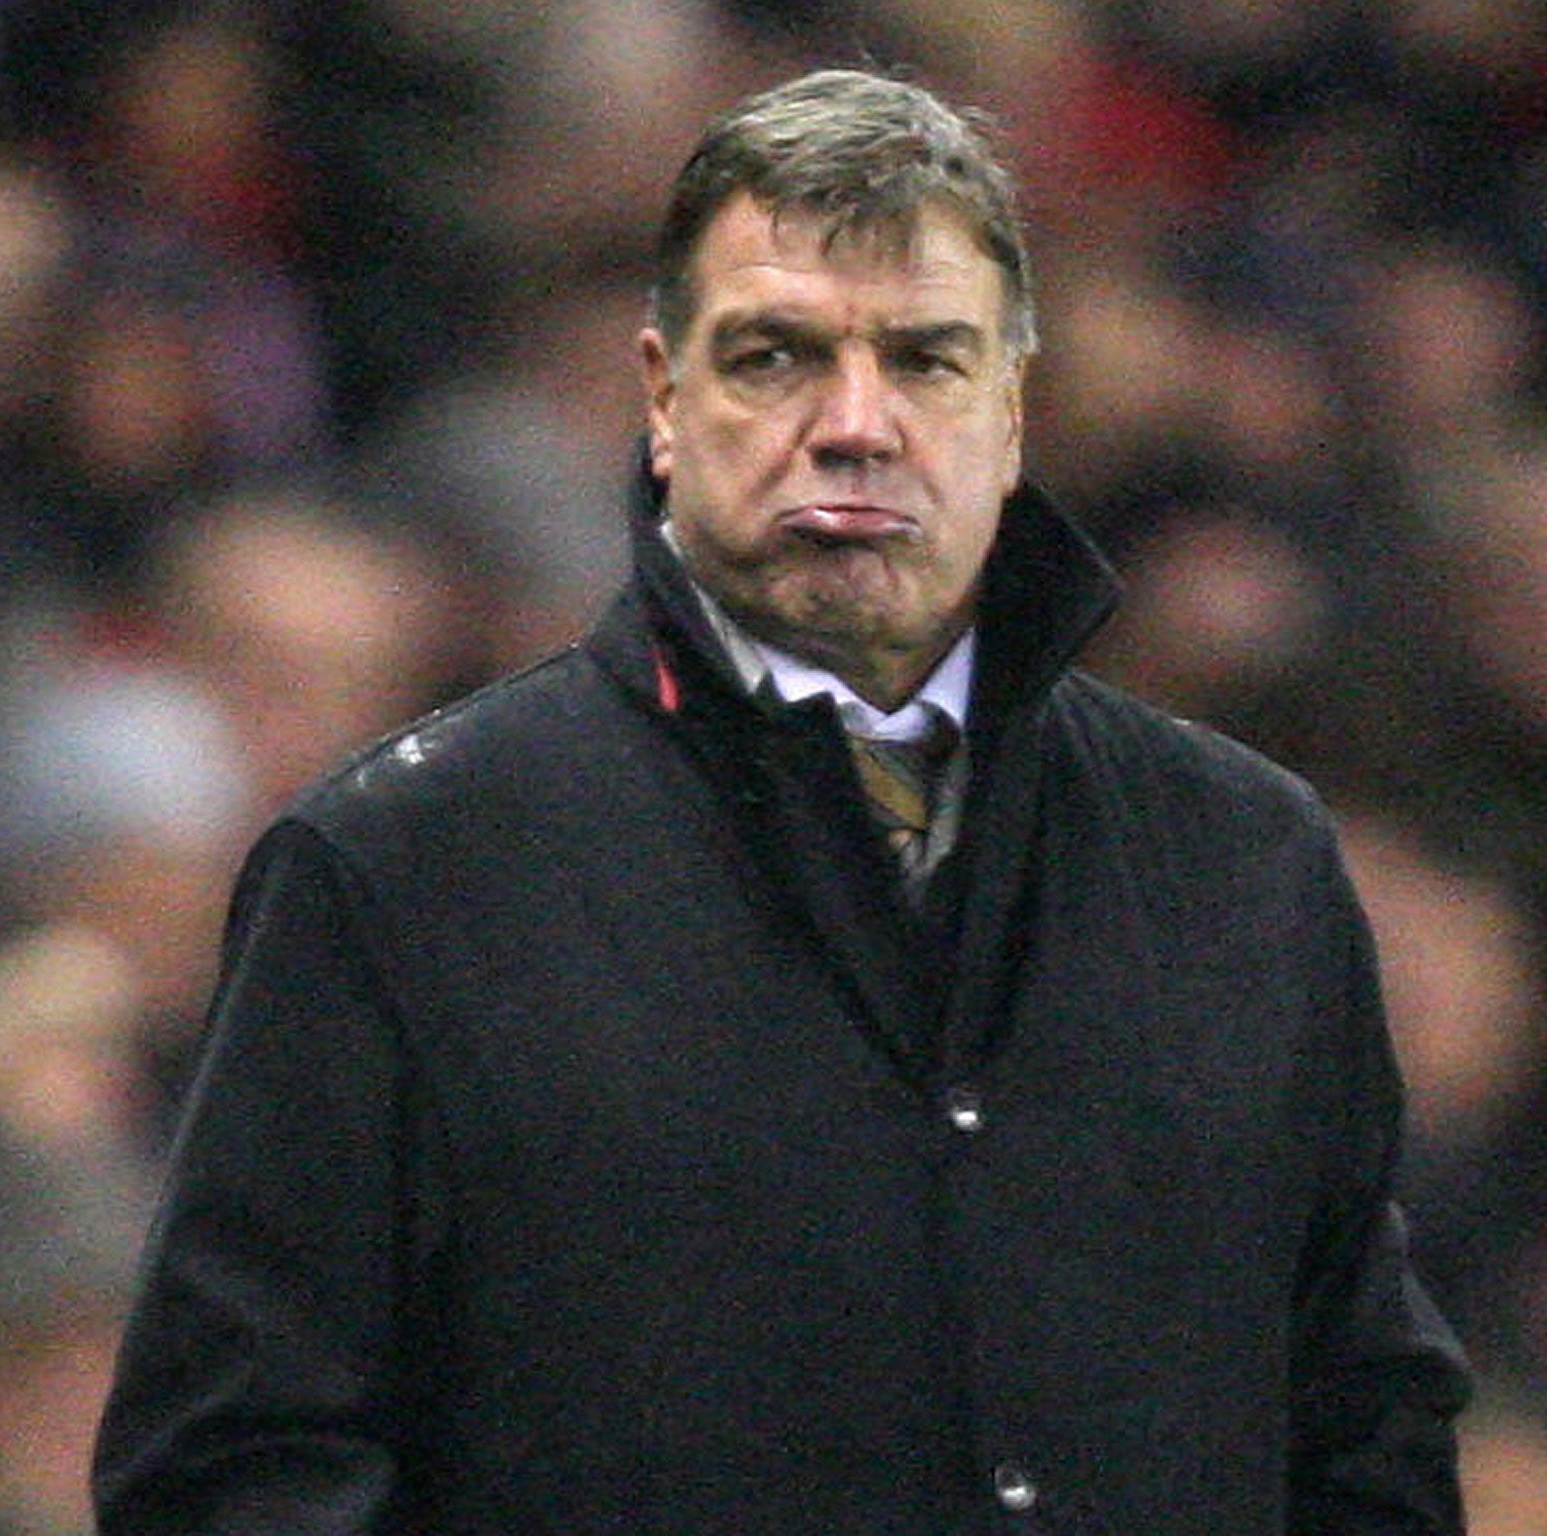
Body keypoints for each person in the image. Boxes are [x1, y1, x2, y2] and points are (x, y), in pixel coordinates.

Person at [91, 67, 1470, 1534]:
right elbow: (232, 1479)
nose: (856, 425)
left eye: (928, 361)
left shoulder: (1241, 860)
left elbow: (1362, 1435)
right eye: (773, 357)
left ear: (1014, 412)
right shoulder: (402, 871)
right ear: (662, 400)